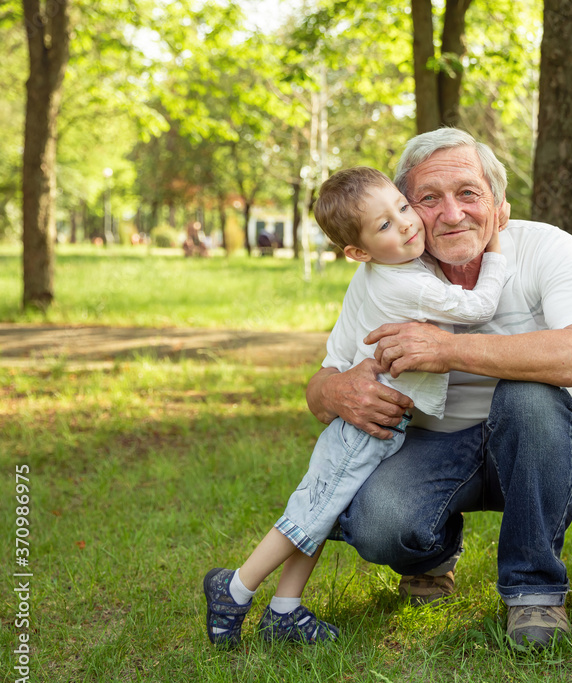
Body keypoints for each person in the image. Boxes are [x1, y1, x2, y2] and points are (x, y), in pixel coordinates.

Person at [305, 127, 572, 647]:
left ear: (499, 204)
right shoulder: (388, 270)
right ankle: (431, 555)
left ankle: (533, 592)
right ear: (406, 208)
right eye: (427, 199)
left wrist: (448, 350)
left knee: (531, 396)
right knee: (380, 525)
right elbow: (322, 381)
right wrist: (336, 394)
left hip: (534, 442)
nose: (451, 214)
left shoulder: (544, 247)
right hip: (430, 442)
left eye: (468, 193)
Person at [203, 166, 508, 648]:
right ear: (358, 251)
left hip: (380, 423)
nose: (406, 224)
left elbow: (342, 342)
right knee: (313, 511)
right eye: (385, 224)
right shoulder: (401, 282)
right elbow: (477, 308)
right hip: (368, 425)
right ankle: (236, 587)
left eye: (403, 208)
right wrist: (495, 252)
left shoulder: (380, 271)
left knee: (325, 508)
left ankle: (284, 609)